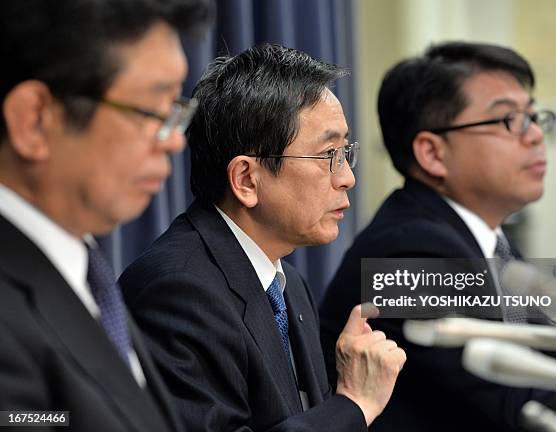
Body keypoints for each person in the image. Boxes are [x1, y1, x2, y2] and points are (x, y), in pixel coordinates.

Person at [319, 41, 556, 431]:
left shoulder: (490, 241)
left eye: (534, 117)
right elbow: (521, 398)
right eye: (509, 119)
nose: (535, 136)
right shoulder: (407, 251)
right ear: (433, 153)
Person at [119, 43, 406, 432]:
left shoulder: (286, 280)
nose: (347, 177)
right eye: (327, 156)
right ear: (246, 180)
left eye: (345, 152)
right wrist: (354, 403)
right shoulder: (178, 291)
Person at [0, 1, 210, 430]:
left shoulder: (87, 273)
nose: (173, 142)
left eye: (176, 110)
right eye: (152, 112)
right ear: (35, 121)